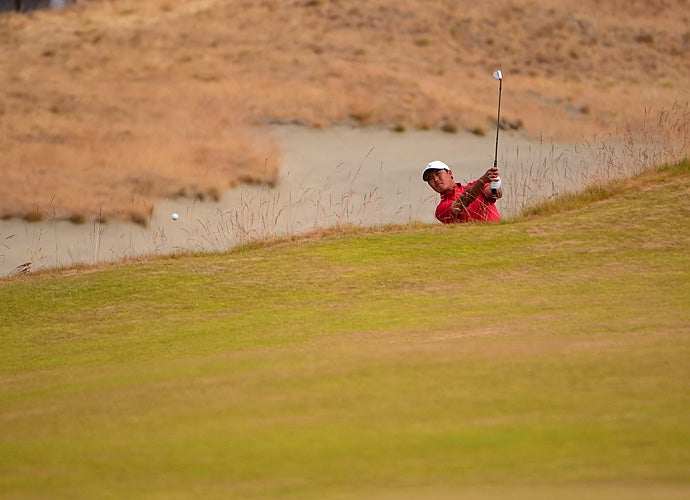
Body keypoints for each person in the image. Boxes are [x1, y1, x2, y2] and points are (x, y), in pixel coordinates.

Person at [422, 160, 502, 223]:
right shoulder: (440, 210)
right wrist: (482, 181)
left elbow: (492, 192)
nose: (436, 179)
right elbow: (459, 205)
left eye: (438, 174)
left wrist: (495, 187)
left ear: (450, 173)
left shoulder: (476, 185)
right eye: (430, 178)